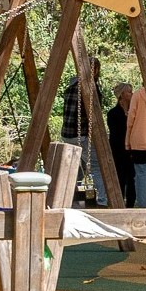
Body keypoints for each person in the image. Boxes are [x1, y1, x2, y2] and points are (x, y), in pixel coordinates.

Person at [60, 58, 109, 205]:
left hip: (67, 134)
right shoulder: (88, 88)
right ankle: (103, 200)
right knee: (97, 166)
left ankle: (69, 199)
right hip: (81, 134)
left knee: (76, 167)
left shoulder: (71, 86)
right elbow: (94, 115)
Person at [106, 83, 135, 205]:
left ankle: (131, 203)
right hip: (118, 149)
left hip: (132, 149)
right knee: (120, 177)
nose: (132, 94)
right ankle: (119, 202)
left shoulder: (134, 112)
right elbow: (115, 133)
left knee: (132, 177)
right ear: (122, 95)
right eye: (129, 92)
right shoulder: (113, 113)